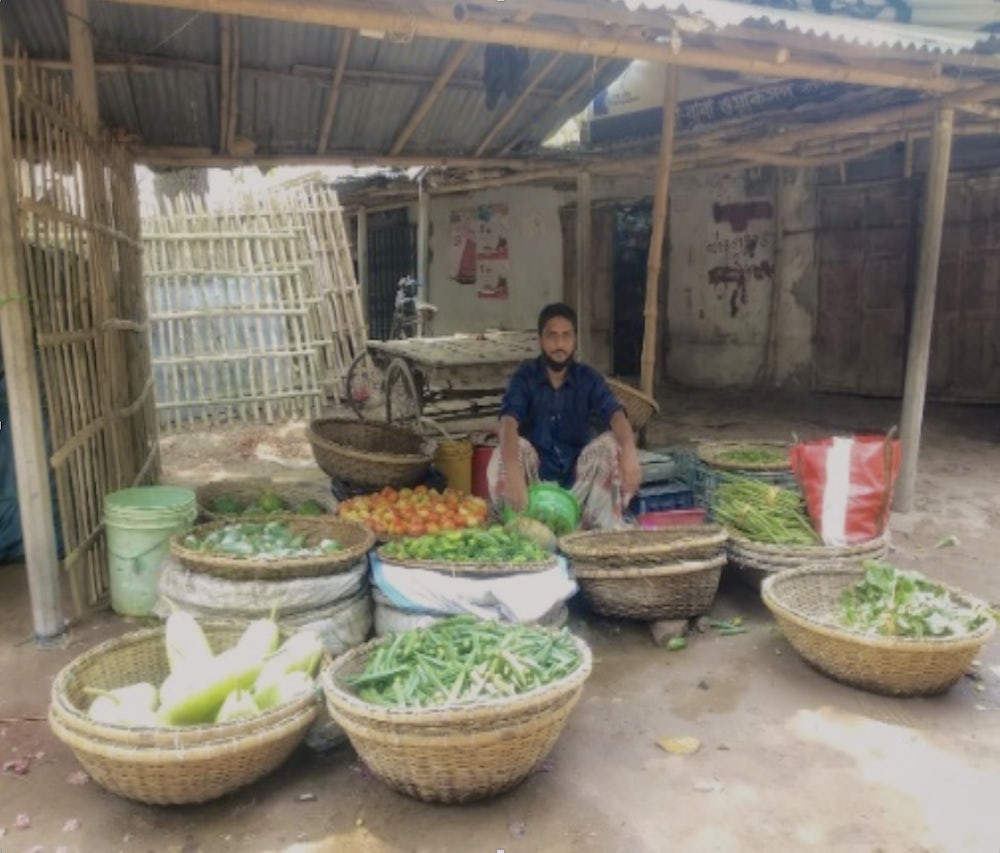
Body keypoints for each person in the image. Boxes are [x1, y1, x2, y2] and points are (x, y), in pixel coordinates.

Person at [487, 302, 641, 529]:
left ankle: (600, 531)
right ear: (540, 340)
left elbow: (616, 415)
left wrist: (630, 452)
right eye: (552, 336)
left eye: (566, 336)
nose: (559, 344)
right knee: (507, 451)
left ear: (575, 339)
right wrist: (512, 471)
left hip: (579, 487)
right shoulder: (525, 377)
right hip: (533, 489)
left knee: (610, 444)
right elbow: (508, 421)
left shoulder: (588, 378)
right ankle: (517, 527)